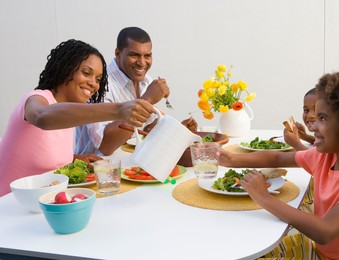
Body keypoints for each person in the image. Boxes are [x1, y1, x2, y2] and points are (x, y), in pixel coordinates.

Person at [219, 72, 339, 259]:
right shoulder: (325, 157)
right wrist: (230, 159)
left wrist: (264, 197)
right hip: (320, 251)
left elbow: (325, 231)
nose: (314, 125)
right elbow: (276, 159)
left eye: (322, 118)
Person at [0, 39, 155, 197]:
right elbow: (43, 117)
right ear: (65, 68)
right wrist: (119, 109)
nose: (93, 84)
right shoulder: (36, 99)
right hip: (8, 206)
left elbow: (38, 153)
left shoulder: (69, 112)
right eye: (86, 73)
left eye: (98, 79)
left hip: (42, 203)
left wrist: (75, 159)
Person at [75, 27, 197, 156]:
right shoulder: (100, 84)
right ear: (117, 53)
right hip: (98, 170)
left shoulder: (145, 80)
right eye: (134, 55)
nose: (142, 63)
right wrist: (146, 100)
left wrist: (178, 131)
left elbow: (148, 128)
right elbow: (105, 147)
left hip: (132, 165)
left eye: (147, 56)